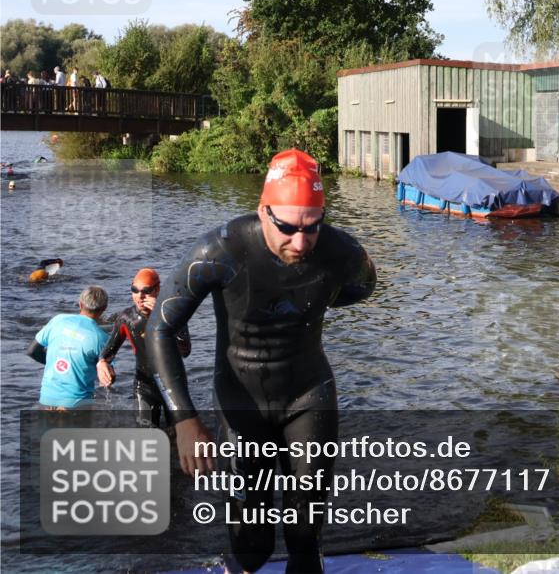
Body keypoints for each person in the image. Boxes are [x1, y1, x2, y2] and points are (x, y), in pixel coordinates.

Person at [147, 148, 377, 573]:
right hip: (240, 403)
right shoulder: (220, 250)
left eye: (312, 226)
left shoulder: (341, 251)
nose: (300, 242)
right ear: (263, 210)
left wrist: (313, 296)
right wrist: (184, 420)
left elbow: (363, 287)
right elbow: (159, 329)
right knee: (251, 543)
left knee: (305, 535)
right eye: (287, 227)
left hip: (308, 395)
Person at [98, 268, 192, 427]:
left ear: (157, 289)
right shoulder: (127, 318)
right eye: (134, 290)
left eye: (146, 291)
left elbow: (185, 351)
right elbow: (108, 353)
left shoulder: (172, 313)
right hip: (144, 385)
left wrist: (162, 316)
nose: (140, 296)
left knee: (178, 433)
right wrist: (102, 363)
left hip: (173, 385)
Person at [27, 286, 113, 409]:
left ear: (80, 304)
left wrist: (59, 364)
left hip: (46, 400)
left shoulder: (57, 320)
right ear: (104, 308)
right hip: (78, 404)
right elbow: (108, 377)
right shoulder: (102, 338)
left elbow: (32, 351)